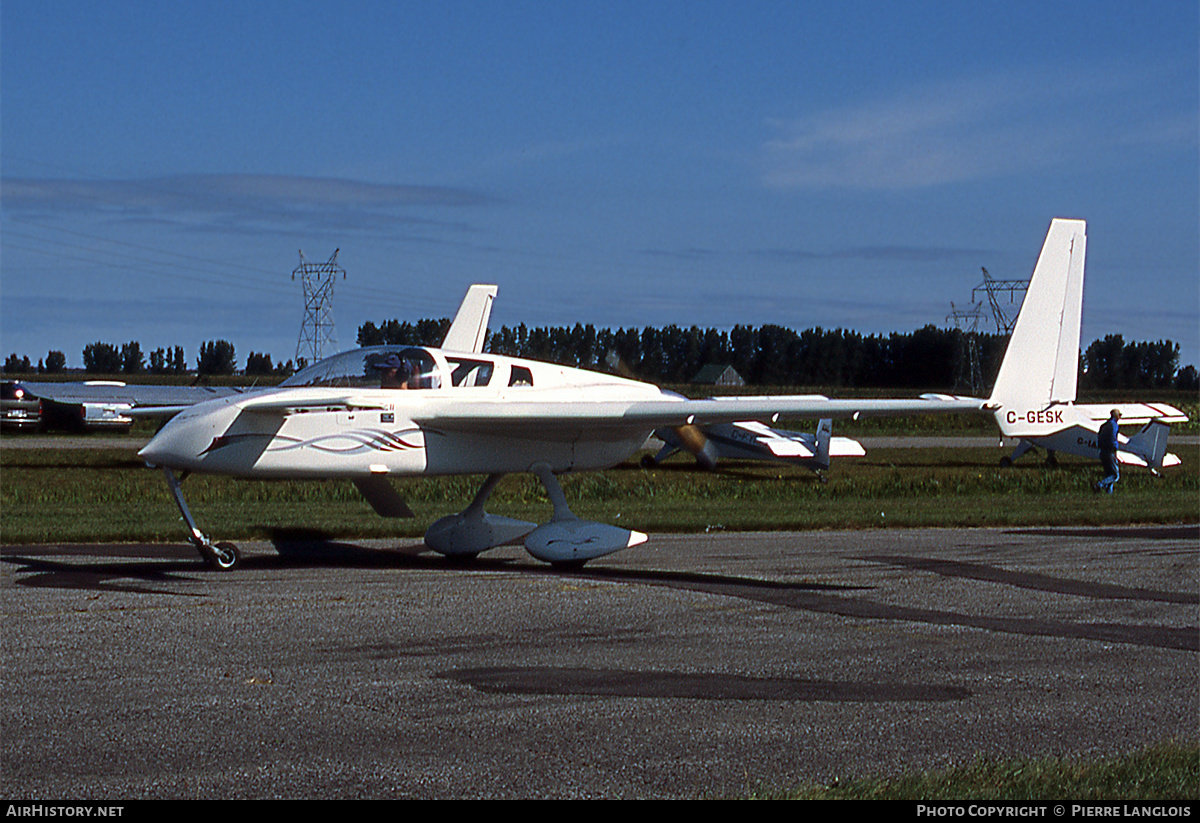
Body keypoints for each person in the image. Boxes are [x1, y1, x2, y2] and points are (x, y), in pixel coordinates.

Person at [1095, 409, 1121, 494]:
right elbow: (1112, 438)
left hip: (1102, 451)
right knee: (1115, 475)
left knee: (1108, 473)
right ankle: (1100, 484)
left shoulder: (1104, 425)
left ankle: (1109, 492)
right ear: (1116, 416)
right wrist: (1114, 448)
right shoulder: (1114, 425)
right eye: (1119, 415)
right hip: (1110, 451)